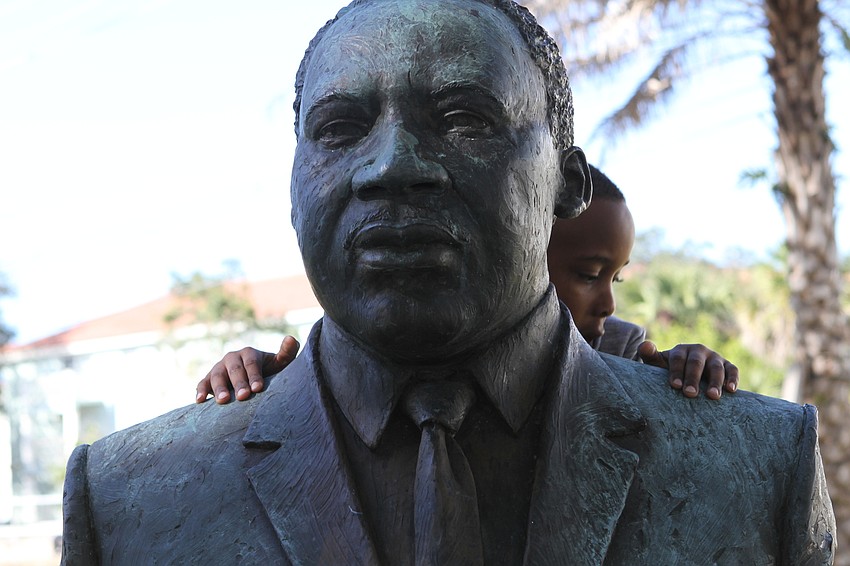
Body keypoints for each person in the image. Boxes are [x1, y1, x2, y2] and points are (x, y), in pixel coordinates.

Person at [60, 1, 835, 564]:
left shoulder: (760, 465)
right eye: (340, 128)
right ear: (293, 183)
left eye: (464, 118)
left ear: (567, 185)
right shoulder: (129, 496)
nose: (391, 166)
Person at [196, 165, 739, 404]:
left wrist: (692, 367)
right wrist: (241, 373)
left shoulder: (627, 361)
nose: (608, 301)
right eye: (588, 275)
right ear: (521, 247)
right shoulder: (326, 366)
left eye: (614, 277)